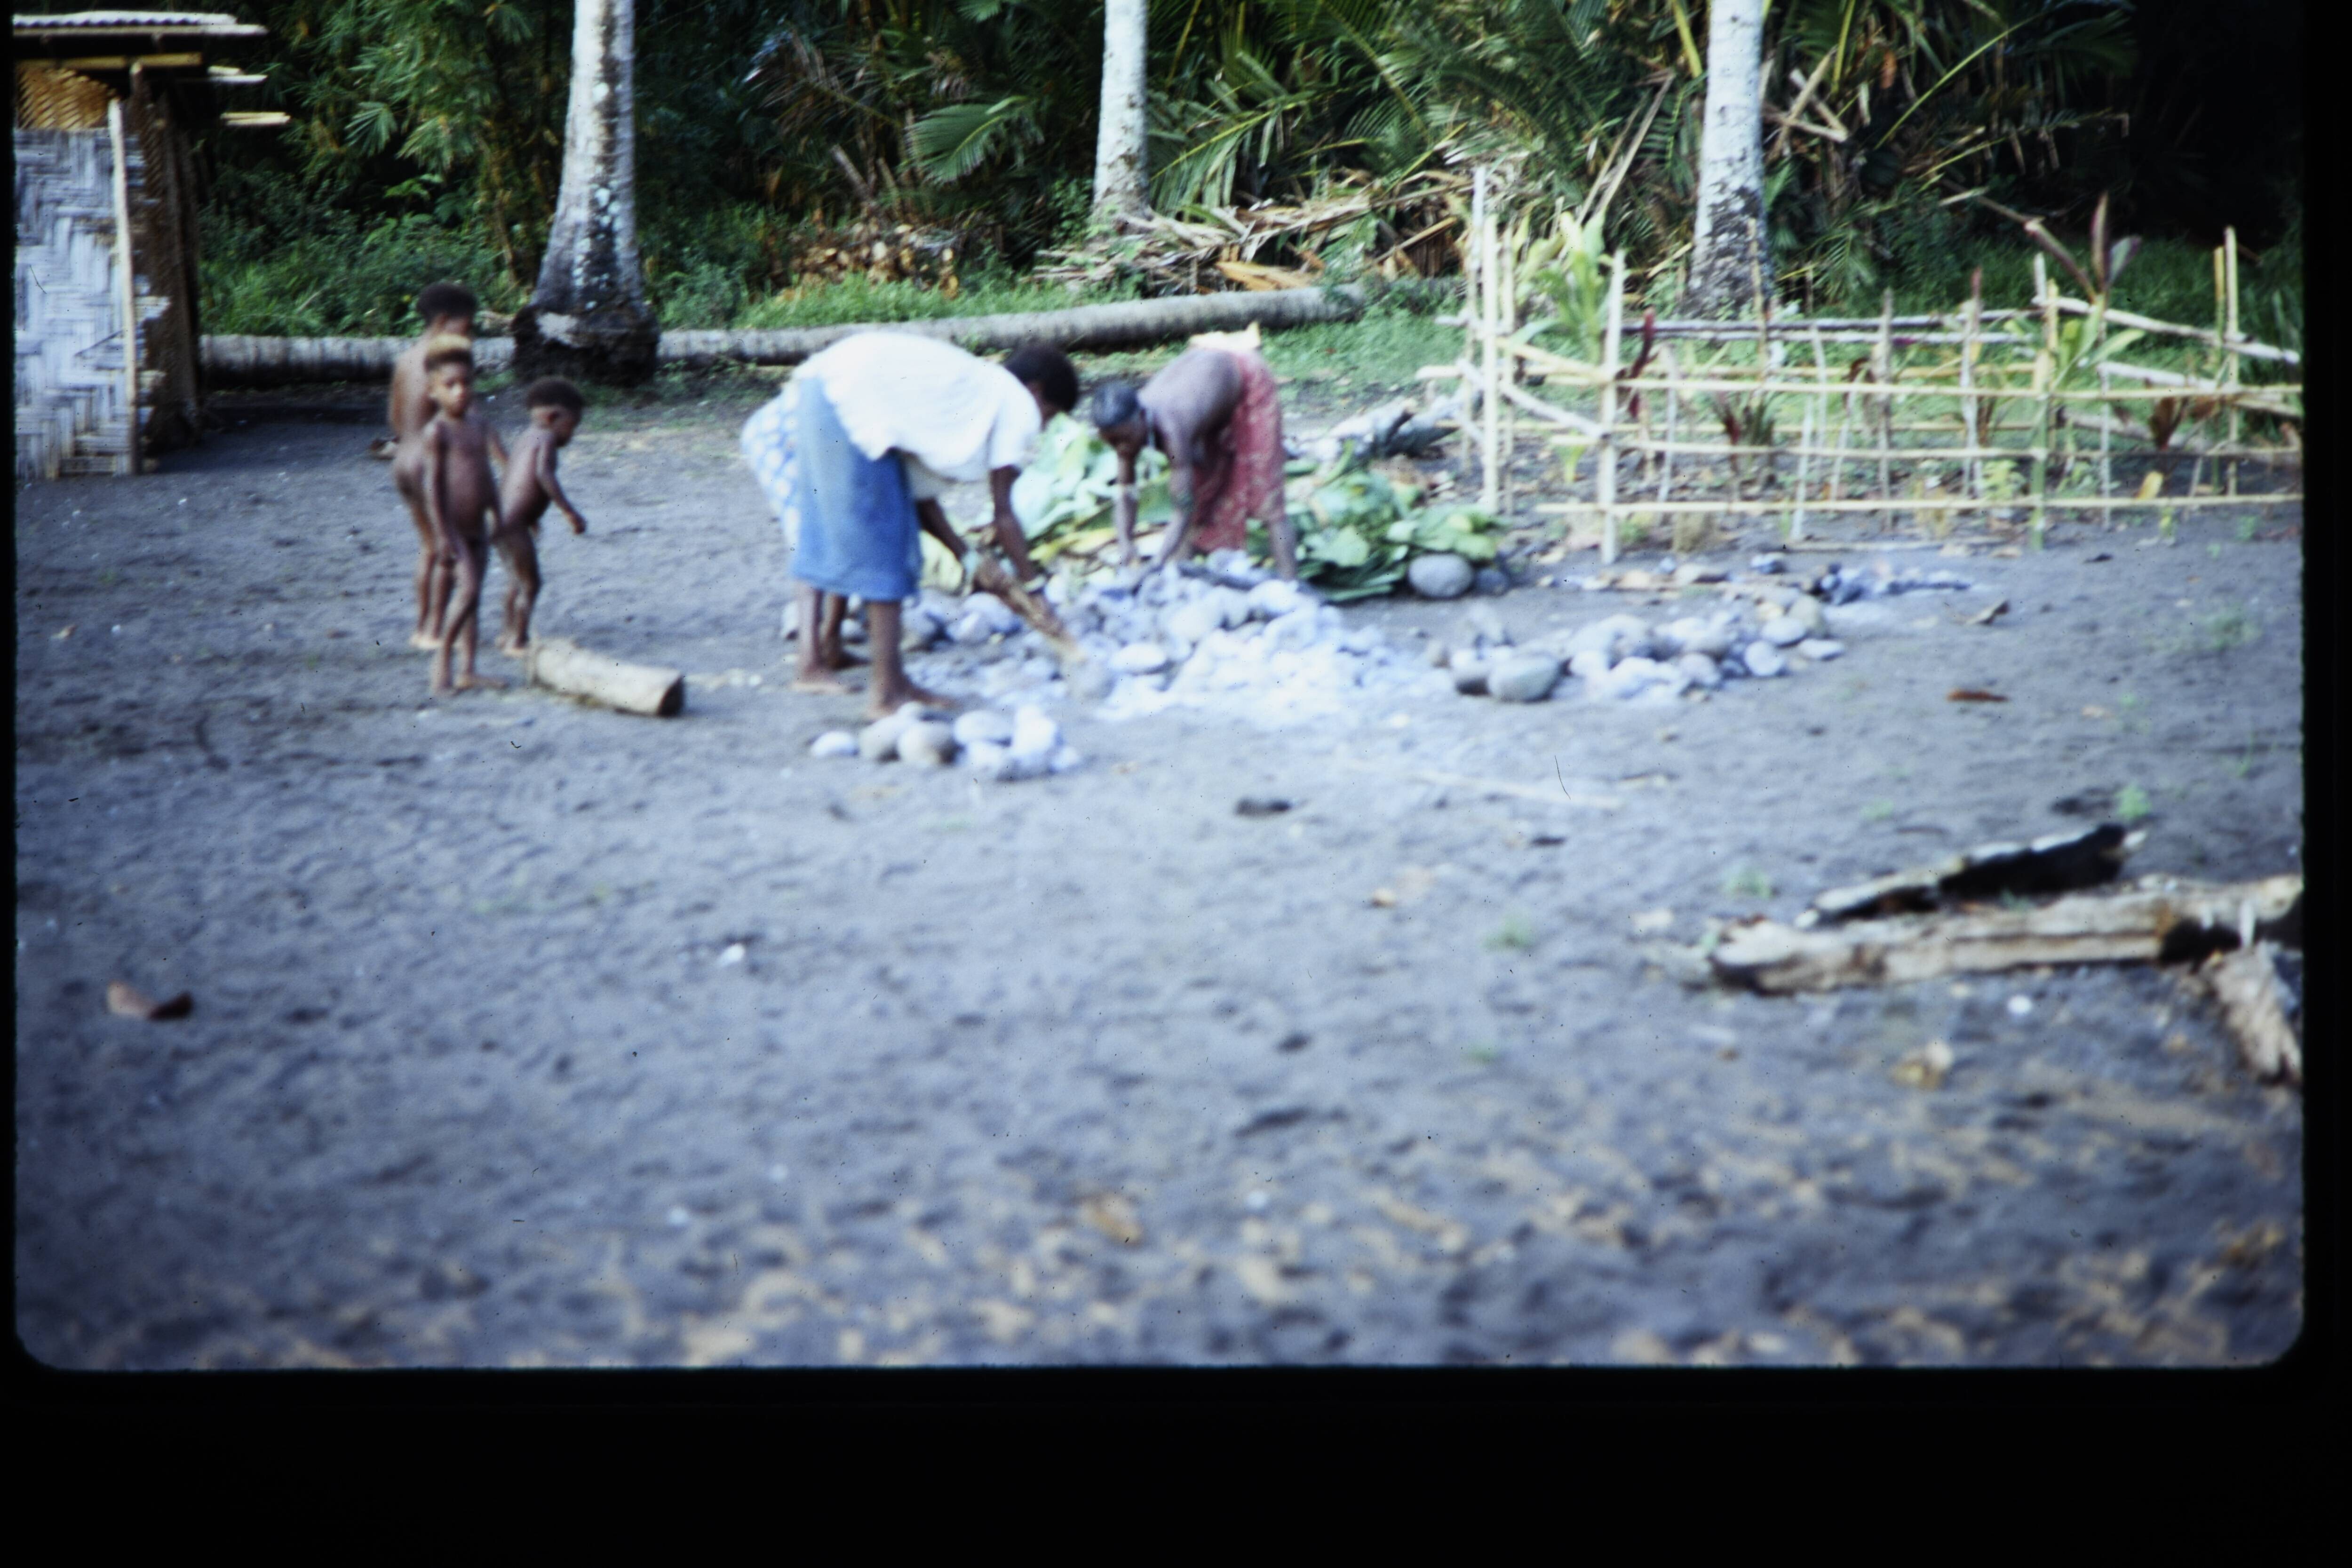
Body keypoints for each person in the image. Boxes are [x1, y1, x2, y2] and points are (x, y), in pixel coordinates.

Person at [740, 335, 1079, 718]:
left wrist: (969, 558)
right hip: (852, 398)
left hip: (825, 389)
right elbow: (1005, 514)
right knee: (887, 547)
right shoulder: (1016, 403)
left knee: (830, 533)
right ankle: (887, 693)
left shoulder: (973, 390)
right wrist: (1033, 590)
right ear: (1036, 393)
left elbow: (917, 497)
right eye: (1048, 416)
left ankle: (825, 660)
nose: (1040, 427)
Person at [1089, 337, 1297, 579]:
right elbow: (1126, 494)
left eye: (1124, 440)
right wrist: (1125, 544)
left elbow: (1182, 511)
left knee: (1269, 504)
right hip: (1209, 382)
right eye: (1112, 442)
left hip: (1246, 377)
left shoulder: (1171, 429)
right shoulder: (1125, 429)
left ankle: (1291, 583)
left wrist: (1158, 562)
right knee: (1200, 497)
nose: (1121, 449)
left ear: (1143, 417)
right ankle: (1180, 577)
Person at [389, 282, 507, 648]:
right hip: (427, 465)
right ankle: (435, 628)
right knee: (447, 547)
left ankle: (424, 626)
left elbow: (395, 416)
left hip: (402, 460)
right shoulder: (445, 365)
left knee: (429, 546)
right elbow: (472, 420)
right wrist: (504, 462)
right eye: (466, 327)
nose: (469, 337)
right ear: (442, 321)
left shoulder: (407, 359)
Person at [491, 377, 589, 655]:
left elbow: (514, 480)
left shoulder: (526, 438)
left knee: (515, 580)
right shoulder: (546, 438)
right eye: (572, 426)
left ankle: (507, 634)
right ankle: (518, 640)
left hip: (502, 521)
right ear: (553, 417)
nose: (571, 436)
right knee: (531, 584)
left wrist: (531, 516)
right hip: (514, 525)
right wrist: (569, 511)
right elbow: (543, 475)